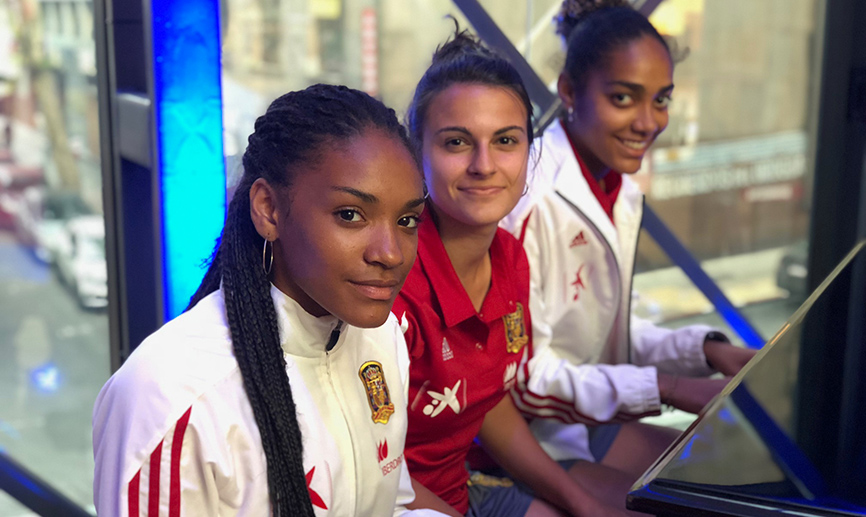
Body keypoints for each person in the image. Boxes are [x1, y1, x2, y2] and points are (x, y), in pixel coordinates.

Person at [92, 84, 448, 516]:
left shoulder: (383, 337)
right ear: (268, 209)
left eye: (407, 220)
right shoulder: (170, 397)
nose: (390, 253)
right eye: (350, 215)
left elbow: (391, 504)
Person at [502, 0, 757, 484]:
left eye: (661, 99)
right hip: (522, 440)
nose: (648, 122)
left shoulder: (619, 187)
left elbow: (603, 330)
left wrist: (705, 350)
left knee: (729, 475)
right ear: (570, 91)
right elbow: (523, 378)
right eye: (624, 98)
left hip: (575, 421)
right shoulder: (526, 197)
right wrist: (668, 387)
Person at [394, 28, 627, 517]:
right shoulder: (394, 283)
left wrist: (582, 504)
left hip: (465, 485)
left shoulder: (509, 257)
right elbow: (367, 467)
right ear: (417, 153)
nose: (484, 165)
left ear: (529, 154)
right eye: (457, 142)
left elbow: (488, 402)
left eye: (505, 141)